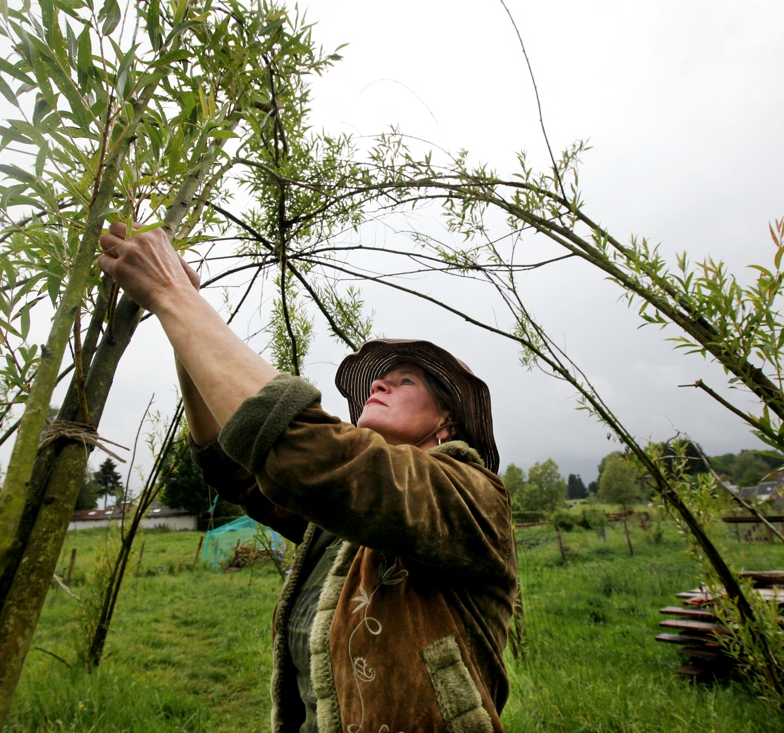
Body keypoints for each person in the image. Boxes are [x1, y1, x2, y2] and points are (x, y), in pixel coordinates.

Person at [98, 222, 518, 733]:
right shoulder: (340, 520)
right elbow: (233, 465)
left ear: (447, 420)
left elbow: (310, 454)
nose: (378, 384)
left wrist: (173, 295)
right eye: (378, 380)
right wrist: (180, 320)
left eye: (404, 380)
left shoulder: (471, 495)